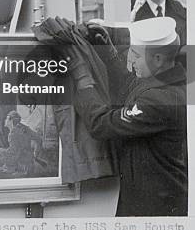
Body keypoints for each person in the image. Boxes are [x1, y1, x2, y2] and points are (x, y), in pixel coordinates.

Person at [67, 17, 187, 216]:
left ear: (157, 59)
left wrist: (82, 80)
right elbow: (130, 85)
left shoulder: (163, 99)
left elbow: (101, 124)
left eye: (136, 54)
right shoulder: (164, 79)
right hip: (153, 199)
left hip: (155, 209)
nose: (130, 60)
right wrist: (109, 53)